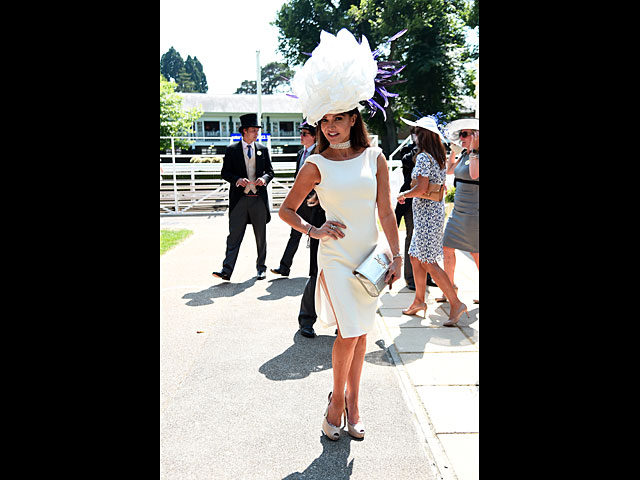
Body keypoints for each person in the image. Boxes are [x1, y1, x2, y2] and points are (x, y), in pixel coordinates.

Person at [281, 28, 404, 442]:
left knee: (361, 331)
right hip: (334, 258)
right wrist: (315, 228)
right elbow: (286, 210)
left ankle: (354, 402)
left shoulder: (375, 156)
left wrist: (398, 256)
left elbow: (386, 211)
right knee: (348, 331)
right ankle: (338, 403)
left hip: (370, 256)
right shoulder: (315, 164)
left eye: (338, 117)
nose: (330, 126)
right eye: (324, 120)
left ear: (354, 117)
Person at [396, 116, 468, 326]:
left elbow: (420, 188)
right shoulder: (437, 157)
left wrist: (403, 195)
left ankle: (456, 303)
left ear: (422, 135)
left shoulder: (424, 158)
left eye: (416, 132)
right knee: (415, 256)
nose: (413, 136)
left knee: (427, 261)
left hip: (427, 216)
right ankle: (419, 300)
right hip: (430, 214)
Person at [212, 113, 274, 281]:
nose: (256, 133)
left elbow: (270, 172)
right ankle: (226, 270)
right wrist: (237, 180)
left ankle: (261, 268)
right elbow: (225, 173)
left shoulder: (263, 149)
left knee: (261, 236)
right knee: (234, 236)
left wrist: (264, 179)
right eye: (253, 130)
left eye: (257, 130)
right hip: (239, 199)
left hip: (258, 199)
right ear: (244, 131)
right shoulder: (232, 150)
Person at [437, 118, 479, 303]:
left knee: (476, 253)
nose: (460, 138)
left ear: (475, 136)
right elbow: (448, 171)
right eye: (460, 134)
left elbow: (474, 174)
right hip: (458, 211)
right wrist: (453, 153)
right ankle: (450, 288)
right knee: (446, 247)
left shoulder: (476, 155)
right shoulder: (465, 154)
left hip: (474, 212)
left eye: (464, 134)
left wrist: (475, 150)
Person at [270, 123, 318, 279]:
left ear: (314, 136)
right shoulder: (300, 153)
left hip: (314, 201)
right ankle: (284, 267)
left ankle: (314, 270)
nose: (301, 136)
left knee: (315, 236)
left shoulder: (319, 154)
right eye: (301, 133)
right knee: (295, 232)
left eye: (305, 134)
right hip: (300, 201)